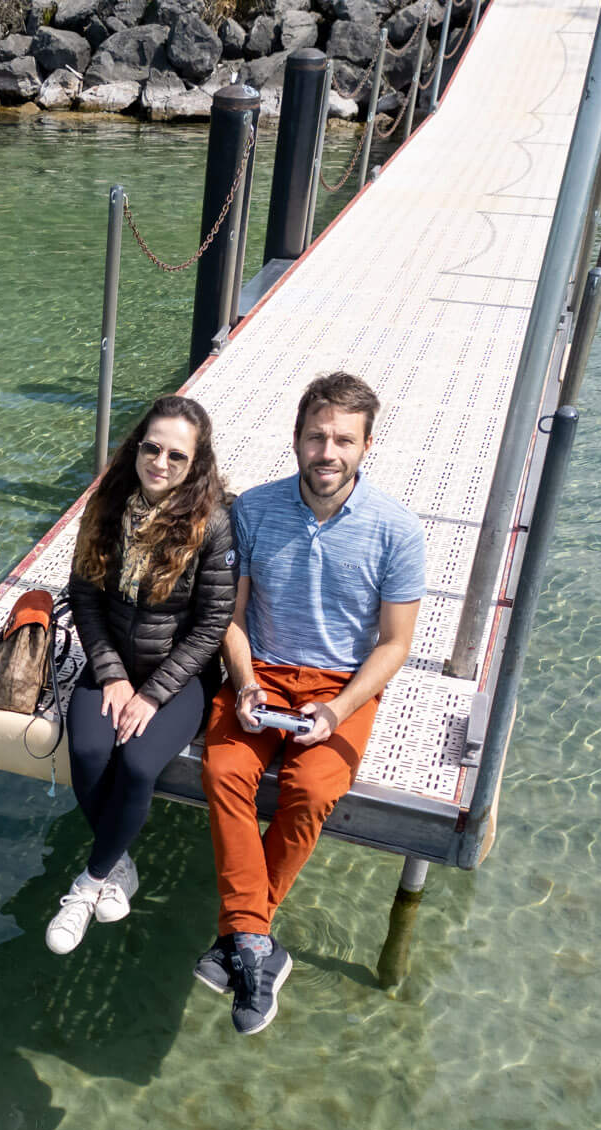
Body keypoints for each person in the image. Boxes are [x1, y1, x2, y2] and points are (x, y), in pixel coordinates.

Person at [198, 372, 426, 1033]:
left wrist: (338, 707)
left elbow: (394, 644)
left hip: (342, 685)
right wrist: (242, 682)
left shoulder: (396, 530)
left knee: (311, 788)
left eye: (343, 440)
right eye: (316, 436)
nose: (328, 451)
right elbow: (231, 618)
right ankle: (256, 945)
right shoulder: (256, 511)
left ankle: (242, 937)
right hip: (261, 672)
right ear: (295, 440)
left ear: (366, 445)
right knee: (224, 773)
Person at [47, 395, 236, 955]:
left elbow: (211, 626)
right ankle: (117, 865)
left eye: (177, 456)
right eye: (152, 448)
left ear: (196, 464)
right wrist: (110, 676)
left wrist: (151, 695)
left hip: (181, 678)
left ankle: (85, 886)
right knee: (85, 752)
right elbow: (84, 596)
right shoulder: (105, 505)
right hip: (113, 667)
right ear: (137, 447)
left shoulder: (213, 525)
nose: (160, 463)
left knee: (135, 761)